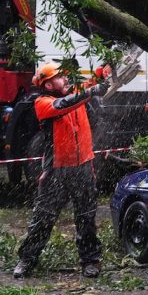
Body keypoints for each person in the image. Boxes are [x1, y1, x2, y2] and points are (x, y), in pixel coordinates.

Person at [13, 62, 111, 279]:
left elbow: (90, 84)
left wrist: (101, 72)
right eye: (60, 77)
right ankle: (27, 259)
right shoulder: (43, 103)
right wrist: (90, 92)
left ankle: (90, 260)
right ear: (48, 85)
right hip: (56, 172)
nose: (66, 79)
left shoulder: (75, 91)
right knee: (43, 219)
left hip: (83, 166)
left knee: (86, 217)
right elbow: (67, 104)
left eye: (66, 76)